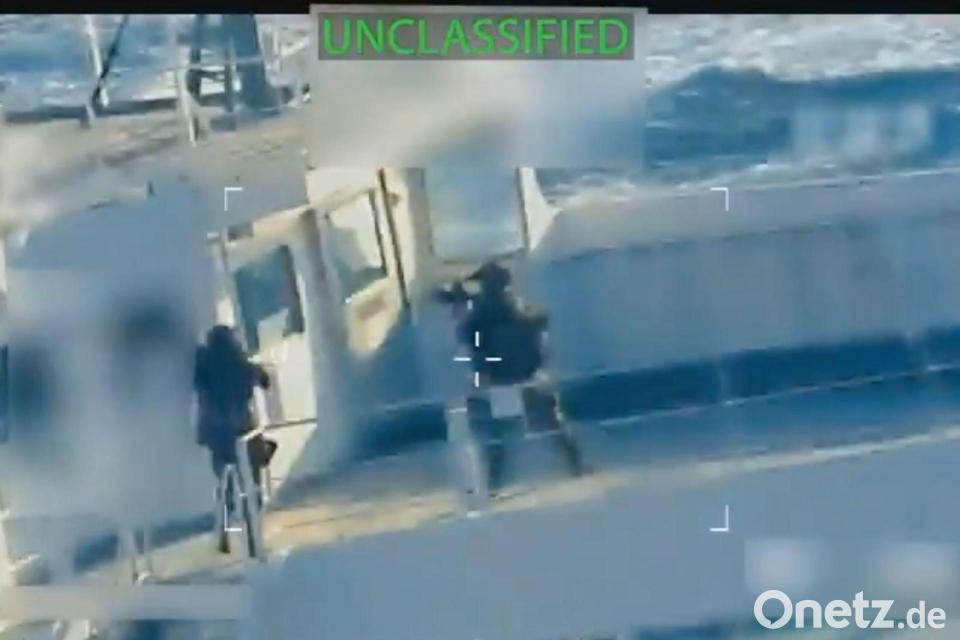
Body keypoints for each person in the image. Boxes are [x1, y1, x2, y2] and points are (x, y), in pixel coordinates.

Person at [455, 262, 584, 491]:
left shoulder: (480, 314)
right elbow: (541, 323)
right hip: (531, 374)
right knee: (553, 424)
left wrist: (462, 312)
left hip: (500, 380)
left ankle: (494, 483)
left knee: (498, 434)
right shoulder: (521, 307)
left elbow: (471, 343)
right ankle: (576, 465)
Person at [192, 325, 276, 550]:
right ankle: (252, 532)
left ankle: (224, 533)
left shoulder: (202, 363)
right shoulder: (238, 363)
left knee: (224, 485)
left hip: (216, 437)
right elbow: (264, 379)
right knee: (251, 481)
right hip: (242, 432)